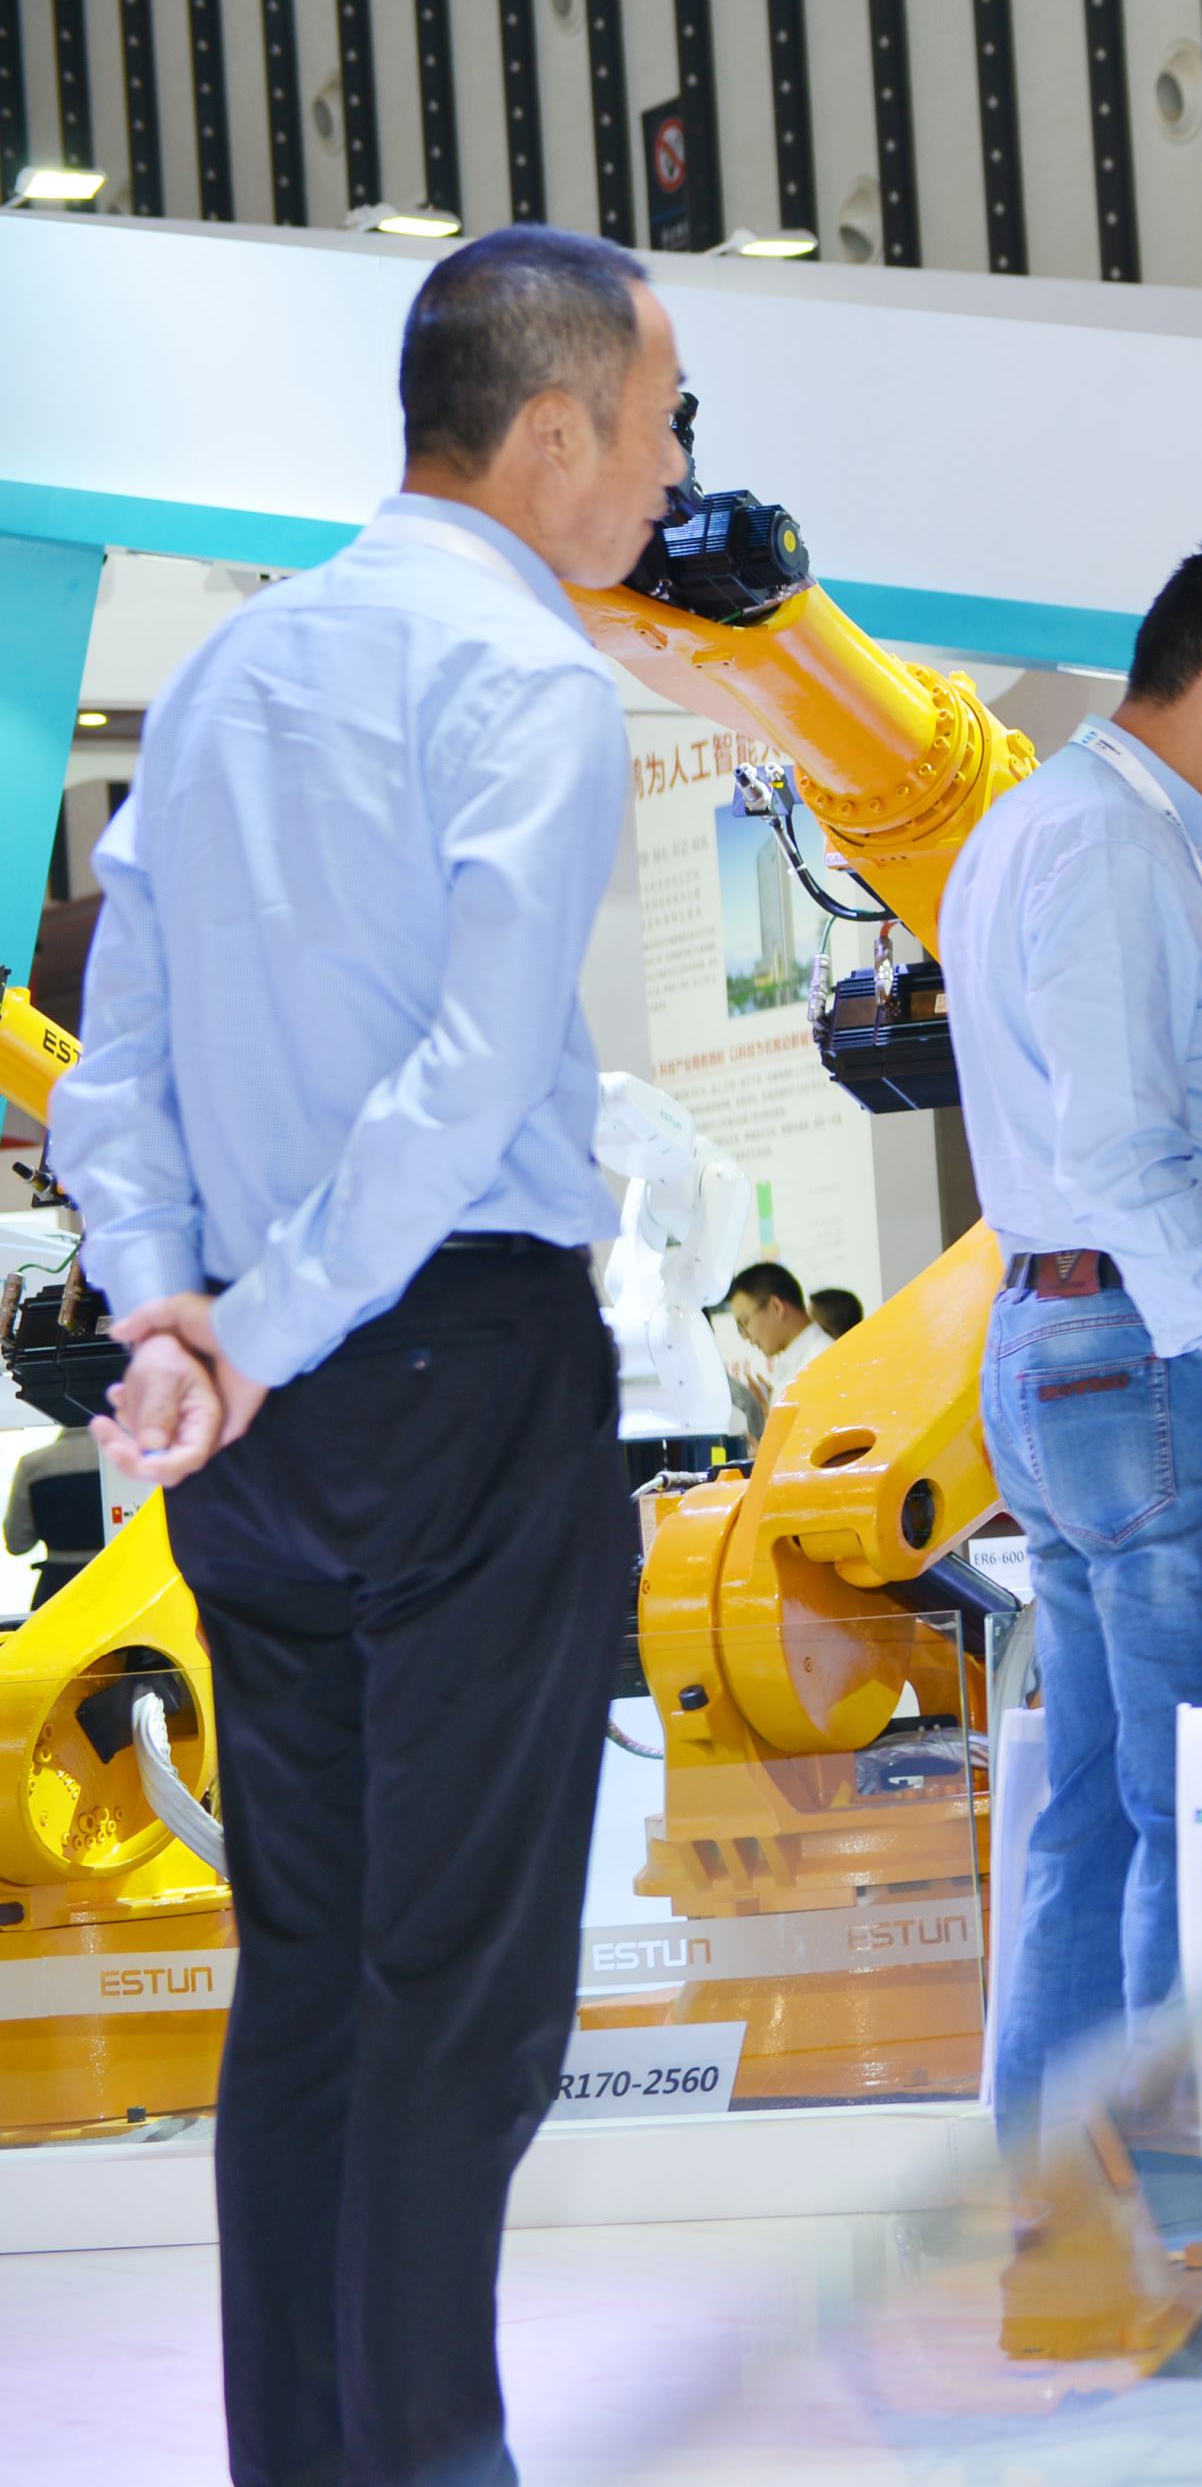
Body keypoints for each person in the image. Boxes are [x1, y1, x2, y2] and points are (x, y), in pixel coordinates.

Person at [48, 225, 684, 2487]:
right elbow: (473, 1064)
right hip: (449, 1367)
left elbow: (109, 1057)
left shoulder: (233, 673)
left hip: (257, 1412)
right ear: (551, 430)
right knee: (461, 1993)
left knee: (310, 1973)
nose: (674, 465)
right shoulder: (519, 677)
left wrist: (172, 1312)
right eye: (664, 416)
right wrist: (266, 1314)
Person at [938, 525, 1202, 2153]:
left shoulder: (1036, 826)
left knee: (1103, 1813)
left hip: (1056, 1348)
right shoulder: (1116, 845)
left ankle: (1061, 2208)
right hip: (1146, 1354)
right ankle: (1179, 2217)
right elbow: (1127, 1146)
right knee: (1195, 1814)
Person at [720, 1258, 837, 1431]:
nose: (746, 1336)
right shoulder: (800, 1361)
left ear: (776, 1307)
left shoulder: (822, 1361)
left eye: (745, 1322)